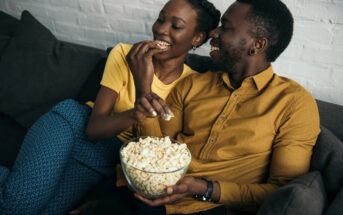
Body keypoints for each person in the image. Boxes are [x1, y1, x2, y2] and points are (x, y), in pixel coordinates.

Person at [0, 0, 220, 215]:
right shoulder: (125, 54)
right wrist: (137, 108)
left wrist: (143, 86)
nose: (161, 30)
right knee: (17, 205)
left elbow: (160, 152)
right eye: (160, 20)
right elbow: (93, 128)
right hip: (73, 126)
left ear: (197, 37)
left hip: (107, 159)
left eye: (176, 26)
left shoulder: (194, 85)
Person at [130, 0, 321, 214]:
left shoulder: (293, 103)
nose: (213, 33)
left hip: (210, 209)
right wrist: (144, 92)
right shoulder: (192, 84)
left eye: (226, 27)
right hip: (151, 194)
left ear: (257, 45)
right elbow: (156, 151)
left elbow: (282, 190)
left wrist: (206, 189)